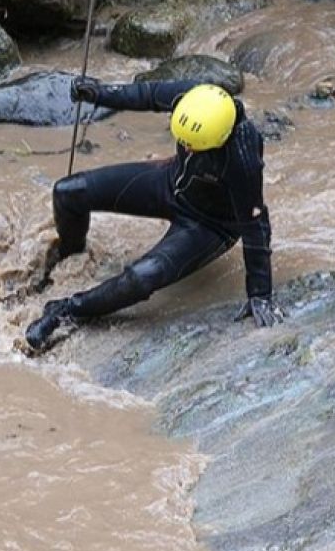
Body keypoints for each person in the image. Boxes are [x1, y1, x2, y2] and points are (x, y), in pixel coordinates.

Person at [25, 80, 284, 353]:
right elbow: (145, 94)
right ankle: (70, 256)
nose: (187, 148)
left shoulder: (242, 156)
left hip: (210, 225)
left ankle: (66, 311)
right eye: (183, 142)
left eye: (194, 146)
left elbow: (255, 223)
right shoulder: (194, 100)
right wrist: (99, 93)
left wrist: (260, 293)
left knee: (142, 276)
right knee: (68, 191)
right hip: (171, 183)